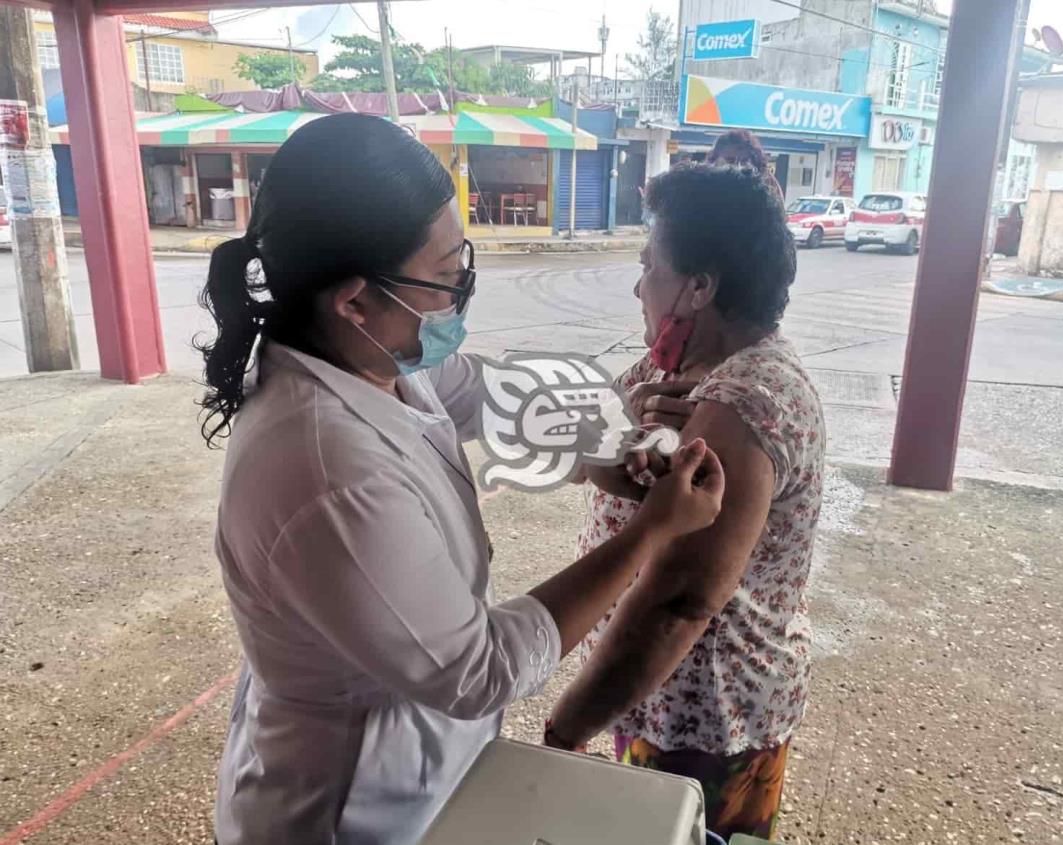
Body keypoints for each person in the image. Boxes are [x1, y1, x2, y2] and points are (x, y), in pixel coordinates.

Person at [198, 113, 726, 845]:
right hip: (352, 807)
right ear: (353, 300)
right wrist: (650, 533)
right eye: (448, 278)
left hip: (426, 764)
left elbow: (478, 390)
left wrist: (606, 451)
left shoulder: (363, 356)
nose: (462, 295)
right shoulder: (327, 471)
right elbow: (477, 667)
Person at [546, 164, 826, 842]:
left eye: (650, 267)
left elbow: (679, 601)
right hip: (650, 695)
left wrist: (565, 727)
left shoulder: (742, 402)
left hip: (706, 713)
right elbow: (581, 460)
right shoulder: (665, 365)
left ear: (698, 286)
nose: (638, 286)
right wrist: (621, 427)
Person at [706, 128, 784, 203]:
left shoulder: (765, 188)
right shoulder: (702, 187)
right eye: (730, 160)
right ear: (714, 159)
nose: (737, 167)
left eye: (744, 162)